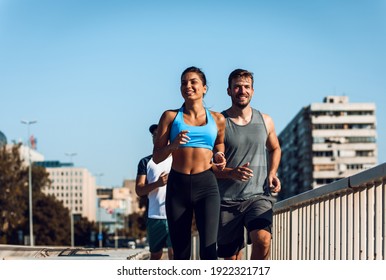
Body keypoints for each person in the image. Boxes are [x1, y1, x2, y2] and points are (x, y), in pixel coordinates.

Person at [152, 66, 226, 260]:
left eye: (193, 82)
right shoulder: (170, 117)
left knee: (209, 250)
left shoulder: (218, 119)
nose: (188, 86)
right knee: (181, 251)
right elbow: (157, 157)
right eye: (184, 82)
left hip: (207, 186)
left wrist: (219, 156)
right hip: (178, 186)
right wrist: (173, 145)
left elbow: (219, 144)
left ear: (204, 88)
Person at [215, 68, 281, 260]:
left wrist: (272, 173)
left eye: (246, 87)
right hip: (225, 201)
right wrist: (230, 173)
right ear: (229, 90)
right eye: (237, 87)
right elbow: (207, 165)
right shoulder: (218, 122)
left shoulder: (265, 120)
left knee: (263, 240)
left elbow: (275, 148)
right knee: (232, 259)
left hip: (258, 196)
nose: (242, 91)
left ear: (252, 91)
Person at [135, 124, 173, 260]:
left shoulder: (179, 161)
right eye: (154, 135)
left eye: (160, 134)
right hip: (154, 217)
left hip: (175, 216)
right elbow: (139, 189)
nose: (156, 137)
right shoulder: (145, 162)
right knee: (155, 256)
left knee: (175, 254)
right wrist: (157, 183)